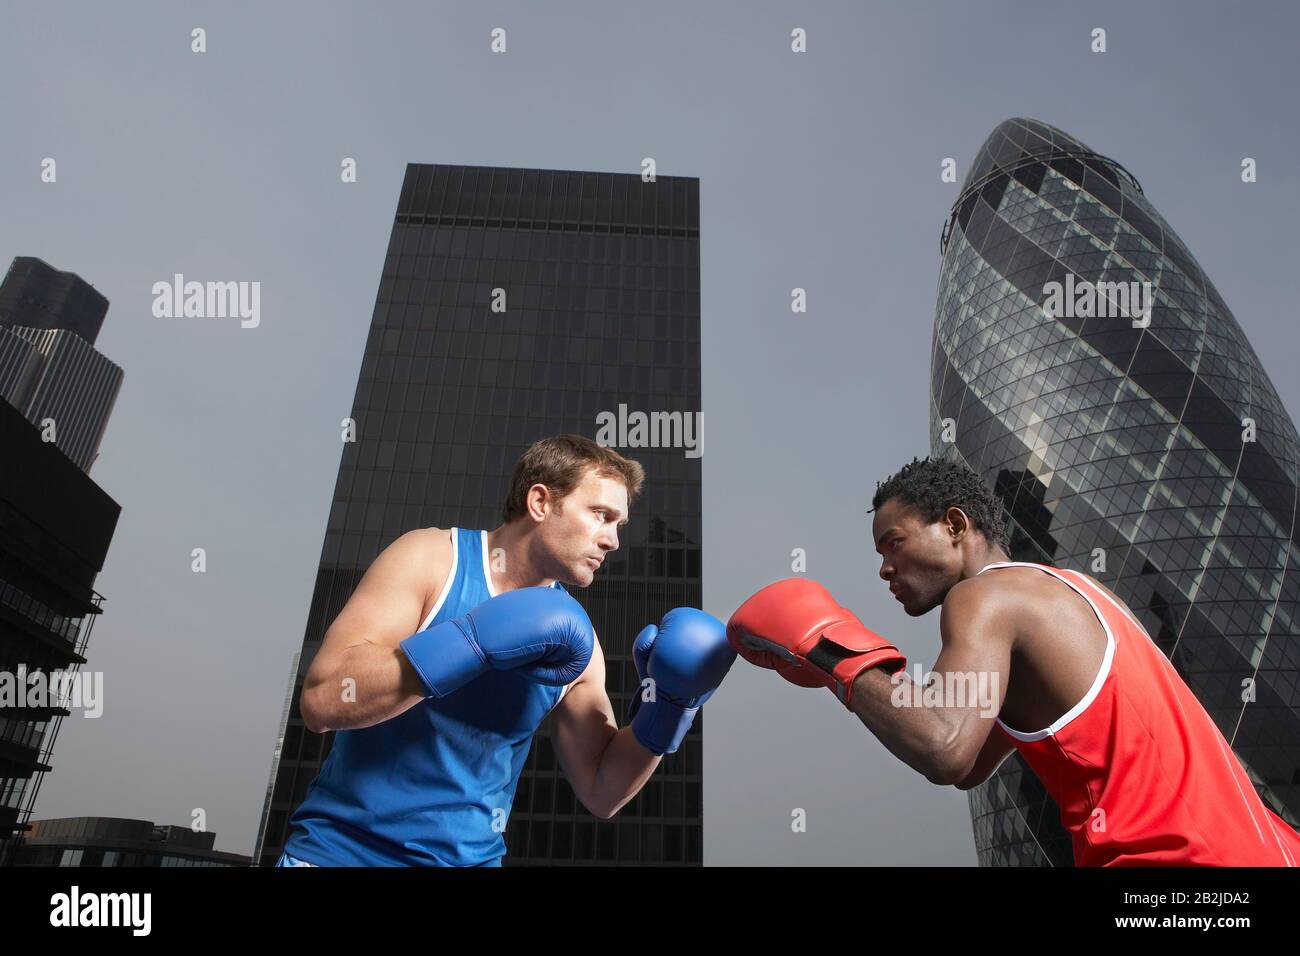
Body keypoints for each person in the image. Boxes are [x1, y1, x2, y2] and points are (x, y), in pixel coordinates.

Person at [727, 455, 1300, 866]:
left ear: (954, 525)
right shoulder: (1082, 593)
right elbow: (972, 760)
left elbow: (944, 746)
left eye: (894, 543)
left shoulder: (984, 597)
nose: (884, 569)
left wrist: (830, 647)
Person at [276, 434, 734, 866]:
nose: (612, 539)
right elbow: (322, 702)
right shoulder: (434, 560)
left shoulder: (578, 643)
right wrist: (472, 643)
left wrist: (670, 709)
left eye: (619, 524)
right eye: (600, 514)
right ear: (540, 502)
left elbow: (602, 789)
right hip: (339, 852)